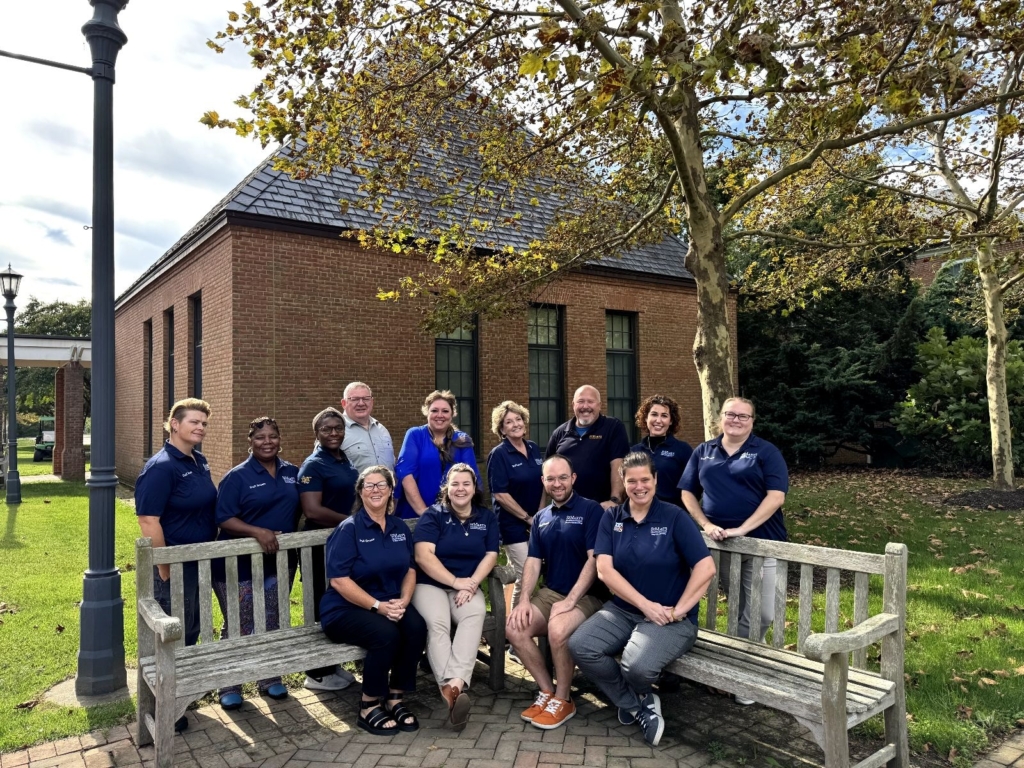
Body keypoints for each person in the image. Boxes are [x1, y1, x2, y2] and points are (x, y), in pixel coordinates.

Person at [569, 451, 715, 747]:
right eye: (632, 480)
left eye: (645, 479)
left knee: (637, 667)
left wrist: (679, 611)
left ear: (655, 479)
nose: (639, 486)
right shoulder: (612, 517)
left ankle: (635, 698)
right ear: (623, 481)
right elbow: (604, 570)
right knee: (580, 645)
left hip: (670, 619)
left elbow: (705, 567)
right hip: (623, 611)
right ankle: (638, 705)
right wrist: (644, 605)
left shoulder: (674, 516)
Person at [679, 397, 788, 673]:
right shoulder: (704, 451)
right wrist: (704, 523)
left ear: (752, 421)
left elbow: (776, 497)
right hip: (723, 545)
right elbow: (687, 492)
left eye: (743, 416)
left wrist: (743, 529)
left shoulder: (766, 451)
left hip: (763, 542)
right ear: (721, 417)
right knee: (741, 608)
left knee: (762, 613)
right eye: (730, 414)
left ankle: (742, 664)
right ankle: (746, 665)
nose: (736, 420)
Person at [320, 466, 427, 735]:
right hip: (345, 608)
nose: (376, 490)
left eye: (382, 485)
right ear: (360, 492)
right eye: (369, 485)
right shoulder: (349, 529)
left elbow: (410, 569)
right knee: (386, 634)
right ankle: (368, 704)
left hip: (390, 602)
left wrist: (404, 600)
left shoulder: (399, 527)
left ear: (391, 490)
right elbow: (339, 581)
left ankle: (395, 697)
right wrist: (378, 607)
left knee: (416, 627)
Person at [505, 455, 607, 730]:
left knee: (558, 629)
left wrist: (572, 600)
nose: (557, 483)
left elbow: (594, 559)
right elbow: (533, 561)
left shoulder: (590, 510)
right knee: (515, 627)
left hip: (588, 596)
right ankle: (547, 691)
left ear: (573, 478)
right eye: (551, 478)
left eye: (563, 477)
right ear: (543, 482)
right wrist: (524, 599)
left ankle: (564, 699)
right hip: (552, 592)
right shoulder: (541, 517)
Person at [135, 398, 216, 733]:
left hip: (197, 563)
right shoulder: (162, 466)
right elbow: (148, 519)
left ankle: (178, 697)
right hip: (173, 567)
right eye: (193, 421)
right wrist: (165, 567)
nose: (199, 427)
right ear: (174, 424)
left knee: (191, 629)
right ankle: (163, 707)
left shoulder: (199, 460)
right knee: (171, 636)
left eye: (204, 423)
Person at [212, 416, 299, 710]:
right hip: (238, 565)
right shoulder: (237, 477)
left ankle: (268, 677)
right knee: (239, 623)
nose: (267, 442)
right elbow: (223, 517)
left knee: (271, 619)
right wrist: (257, 531)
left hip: (278, 564)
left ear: (280, 439)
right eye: (260, 437)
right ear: (250, 441)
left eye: (273, 436)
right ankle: (230, 683)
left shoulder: (292, 473)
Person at [412, 464, 499, 729]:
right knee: (437, 622)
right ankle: (455, 689)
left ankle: (453, 689)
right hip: (431, 584)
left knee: (475, 613)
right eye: (455, 484)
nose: (460, 489)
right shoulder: (433, 515)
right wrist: (454, 581)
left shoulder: (487, 517)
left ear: (475, 488)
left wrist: (471, 583)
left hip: (466, 587)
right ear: (446, 489)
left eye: (466, 484)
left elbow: (491, 554)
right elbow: (423, 556)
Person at [297, 407, 359, 692]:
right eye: (327, 429)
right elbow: (313, 511)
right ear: (316, 434)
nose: (334, 433)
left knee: (337, 600)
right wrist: (354, 522)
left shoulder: (342, 458)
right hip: (318, 543)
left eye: (338, 428)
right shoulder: (313, 465)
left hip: (339, 539)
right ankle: (316, 673)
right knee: (317, 600)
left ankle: (332, 664)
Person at [486, 401, 544, 609]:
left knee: (521, 575)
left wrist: (540, 514)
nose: (515, 424)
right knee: (526, 574)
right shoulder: (499, 454)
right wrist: (527, 518)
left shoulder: (534, 448)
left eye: (518, 419)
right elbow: (500, 494)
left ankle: (507, 626)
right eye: (508, 422)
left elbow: (542, 484)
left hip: (536, 522)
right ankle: (516, 631)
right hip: (513, 526)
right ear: (501, 429)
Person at [395, 390, 479, 519]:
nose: (440, 415)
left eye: (445, 411)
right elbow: (405, 474)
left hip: (455, 517)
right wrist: (425, 513)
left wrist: (462, 515)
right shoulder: (415, 435)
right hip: (416, 515)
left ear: (452, 414)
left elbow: (472, 479)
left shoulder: (462, 440)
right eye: (434, 410)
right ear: (426, 412)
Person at [545, 385, 630, 508]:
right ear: (573, 404)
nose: (585, 406)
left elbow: (619, 464)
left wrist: (615, 501)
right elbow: (546, 470)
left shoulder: (613, 427)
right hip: (566, 508)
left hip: (601, 507)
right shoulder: (560, 432)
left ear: (599, 405)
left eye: (590, 401)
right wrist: (542, 508)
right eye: (581, 401)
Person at [631, 395, 693, 503]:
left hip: (673, 514)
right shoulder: (634, 451)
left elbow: (693, 486)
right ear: (646, 418)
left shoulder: (683, 450)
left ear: (671, 421)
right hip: (641, 514)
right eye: (654, 414)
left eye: (664, 416)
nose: (658, 420)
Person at [340, 381, 396, 473]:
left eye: (366, 399)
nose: (361, 403)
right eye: (355, 399)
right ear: (344, 403)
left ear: (372, 402)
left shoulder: (382, 429)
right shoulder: (335, 432)